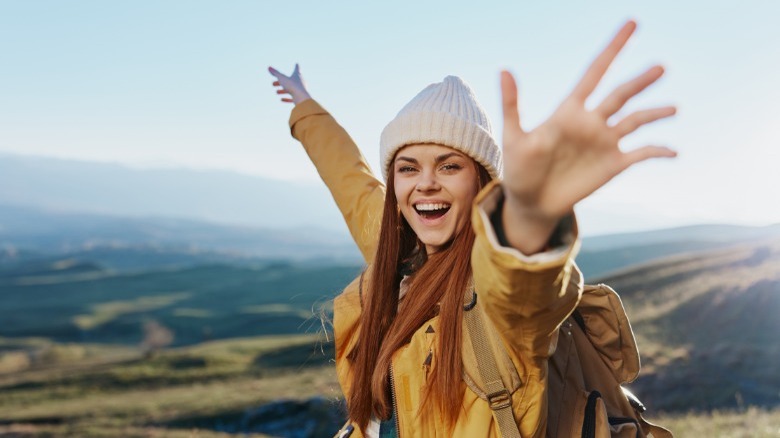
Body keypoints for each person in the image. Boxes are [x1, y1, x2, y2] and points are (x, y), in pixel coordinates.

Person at [269, 20, 675, 438]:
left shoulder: (495, 305)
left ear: (481, 182)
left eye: (449, 166)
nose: (425, 182)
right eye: (408, 168)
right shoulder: (401, 256)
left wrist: (530, 214)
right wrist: (306, 107)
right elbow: (351, 182)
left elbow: (524, 287)